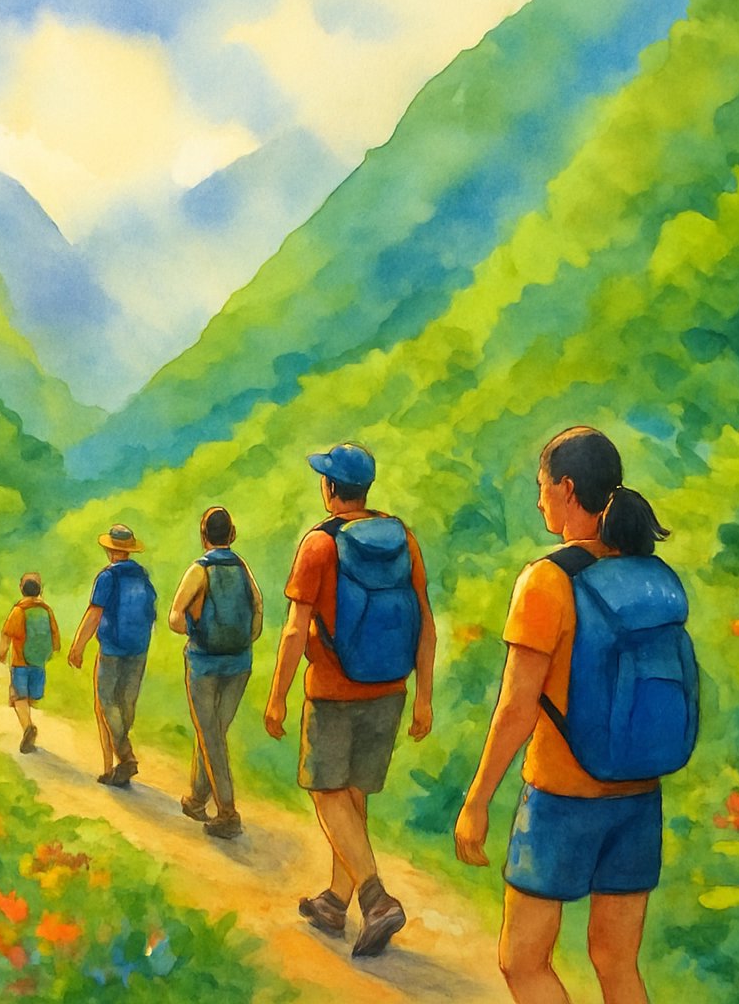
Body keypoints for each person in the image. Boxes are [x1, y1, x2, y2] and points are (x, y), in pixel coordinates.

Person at [454, 426, 675, 1004]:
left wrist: (477, 802)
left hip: (561, 799)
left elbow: (515, 709)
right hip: (638, 794)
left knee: (521, 961)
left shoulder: (546, 582)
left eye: (542, 486)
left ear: (568, 488)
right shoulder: (651, 578)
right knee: (618, 964)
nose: (538, 499)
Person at [264, 442, 436, 958]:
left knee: (326, 790)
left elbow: (296, 630)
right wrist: (423, 695)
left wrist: (277, 696)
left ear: (332, 489)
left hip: (335, 689)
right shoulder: (402, 537)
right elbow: (425, 620)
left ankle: (375, 897)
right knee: (355, 795)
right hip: (390, 689)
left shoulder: (319, 545)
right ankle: (336, 902)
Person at [167, 506, 264, 840]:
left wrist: (198, 630)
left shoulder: (199, 570)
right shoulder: (242, 567)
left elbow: (175, 618)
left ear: (203, 535)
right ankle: (196, 799)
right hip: (239, 664)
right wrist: (242, 641)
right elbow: (258, 609)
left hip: (205, 663)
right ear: (232, 534)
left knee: (210, 733)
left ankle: (227, 812)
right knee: (214, 731)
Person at [68, 524, 158, 787]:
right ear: (128, 550)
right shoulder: (142, 575)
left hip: (112, 649)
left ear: (110, 550)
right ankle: (115, 765)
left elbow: (95, 613)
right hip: (139, 648)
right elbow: (151, 613)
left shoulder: (107, 577)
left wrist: (78, 646)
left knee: (106, 704)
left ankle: (123, 757)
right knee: (126, 704)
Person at [0, 572, 61, 754]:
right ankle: (29, 727)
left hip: (20, 662)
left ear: (21, 589)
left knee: (18, 697)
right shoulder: (46, 610)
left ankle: (28, 727)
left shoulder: (19, 610)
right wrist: (51, 651)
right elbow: (54, 634)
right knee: (31, 696)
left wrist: (2, 652)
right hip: (38, 662)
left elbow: (7, 633)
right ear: (40, 590)